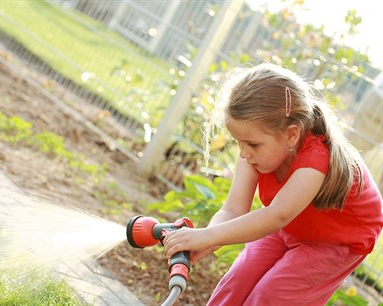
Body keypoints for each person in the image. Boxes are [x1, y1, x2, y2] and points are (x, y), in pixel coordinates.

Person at [163, 63, 383, 305]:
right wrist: (209, 238)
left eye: (252, 145)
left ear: (291, 135)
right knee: (238, 279)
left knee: (272, 295)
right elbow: (233, 209)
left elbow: (277, 216)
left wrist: (209, 235)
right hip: (294, 224)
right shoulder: (257, 150)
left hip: (336, 240)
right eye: (239, 143)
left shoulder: (315, 159)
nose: (244, 153)